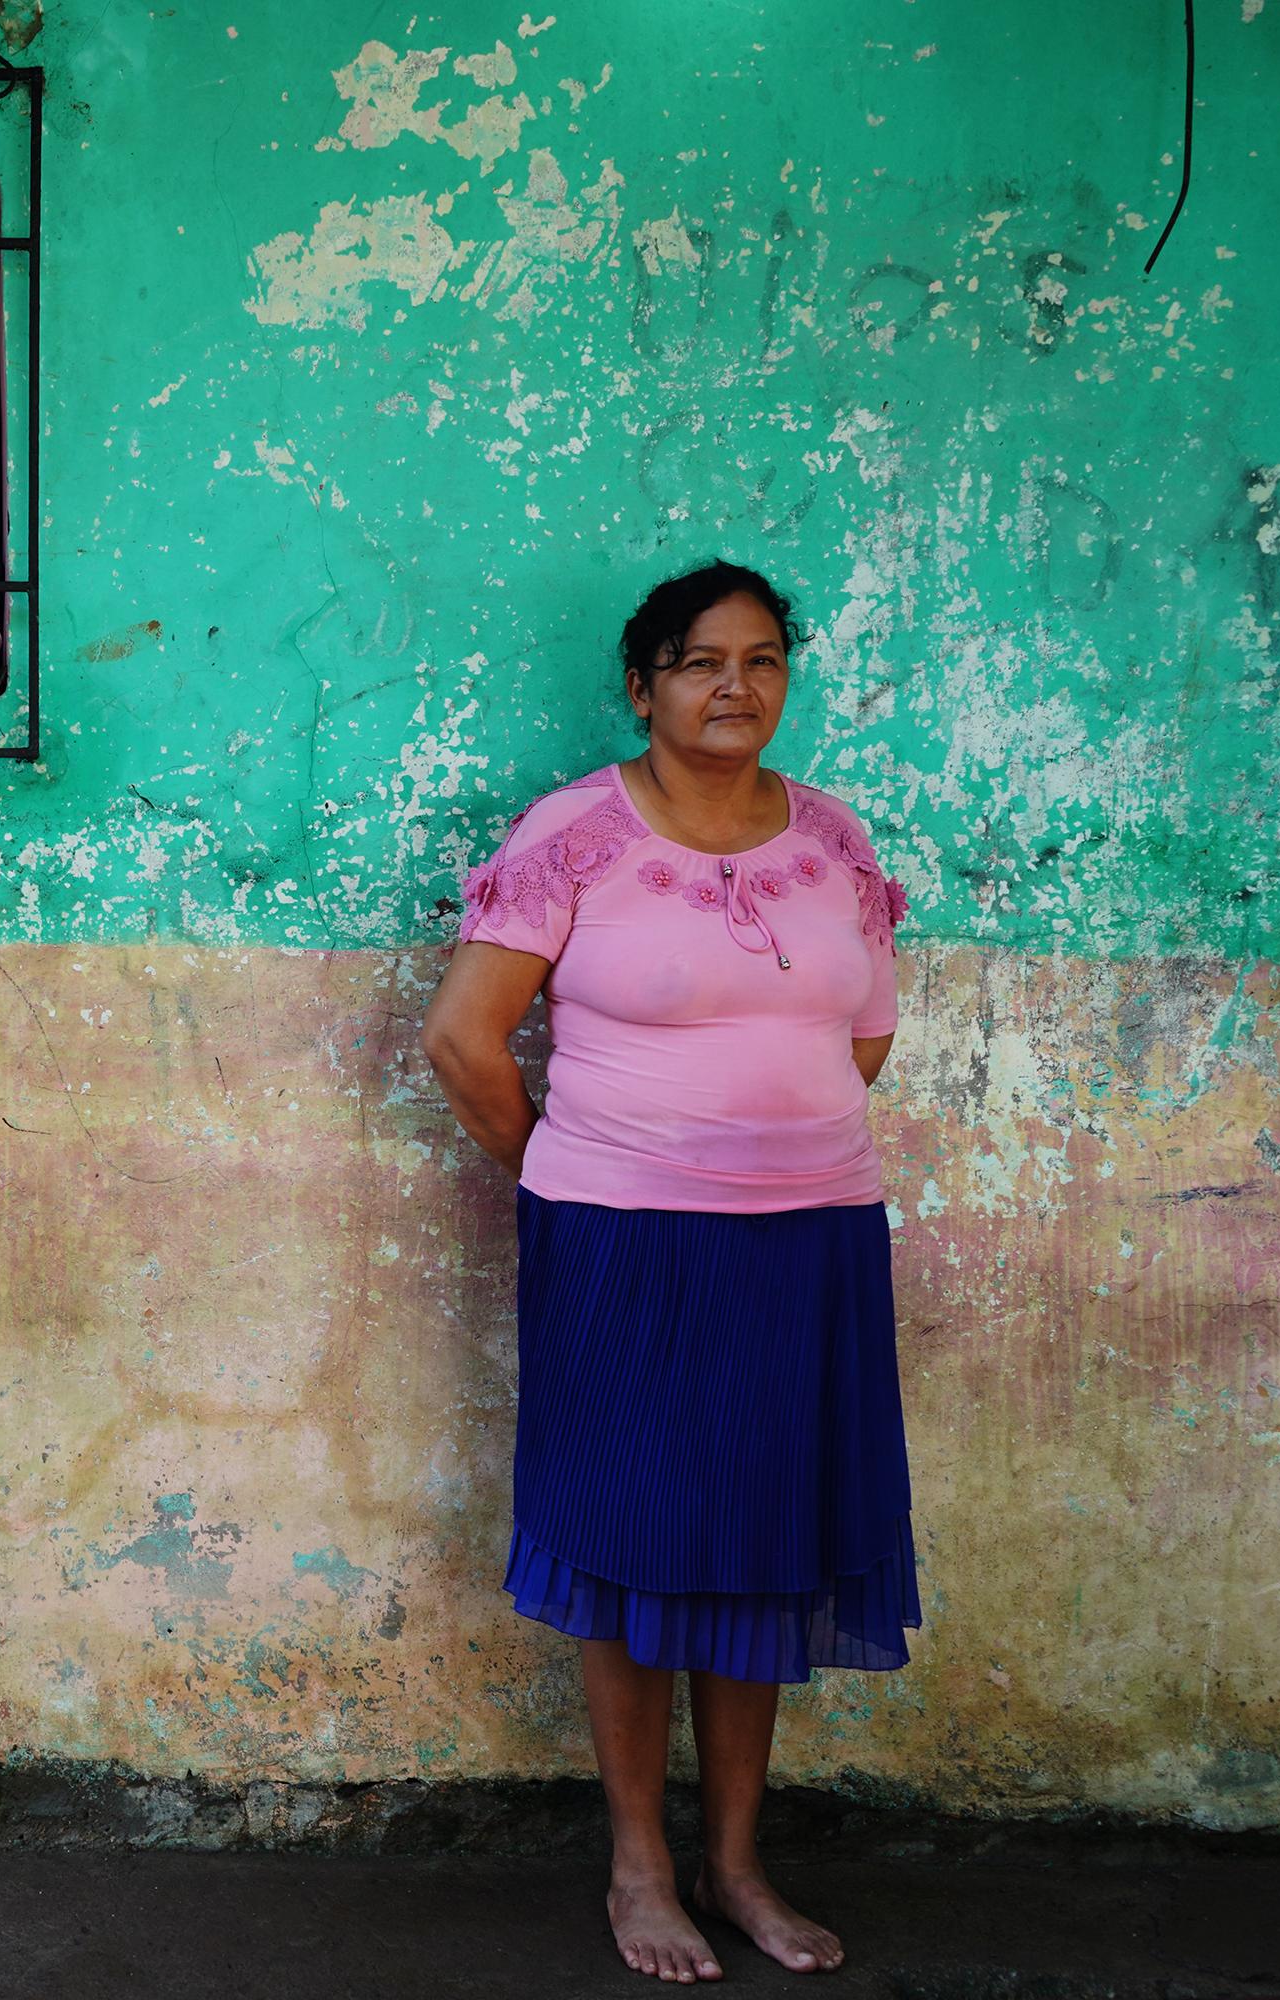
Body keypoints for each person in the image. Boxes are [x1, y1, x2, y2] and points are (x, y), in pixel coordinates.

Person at [418, 562, 919, 1983]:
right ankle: (642, 1863)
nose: (734, 687)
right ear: (641, 684)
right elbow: (467, 1039)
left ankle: (738, 1862)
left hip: (810, 1239)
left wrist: (766, 1126)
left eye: (762, 661)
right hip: (625, 1242)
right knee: (639, 1543)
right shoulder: (576, 835)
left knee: (764, 1555)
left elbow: (863, 1035)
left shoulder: (832, 840)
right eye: (700, 661)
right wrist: (581, 1162)